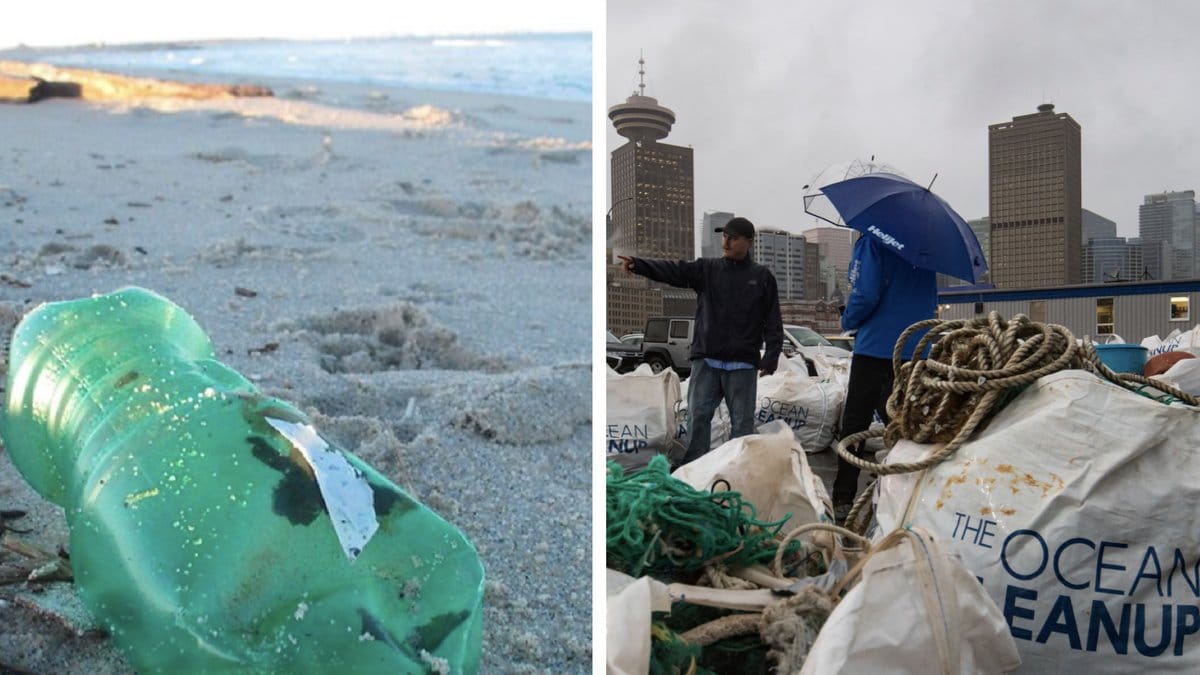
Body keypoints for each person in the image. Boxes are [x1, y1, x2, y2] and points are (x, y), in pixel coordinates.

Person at [618, 216, 783, 466]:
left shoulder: (762, 277)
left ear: (749, 242)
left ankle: (740, 472)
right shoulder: (707, 269)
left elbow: (773, 320)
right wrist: (639, 265)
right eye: (724, 236)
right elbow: (674, 270)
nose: (725, 243)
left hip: (742, 364)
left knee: (742, 424)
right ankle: (695, 469)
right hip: (707, 359)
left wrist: (771, 356)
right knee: (698, 418)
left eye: (733, 238)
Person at [831, 233, 937, 523]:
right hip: (916, 347)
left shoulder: (873, 241)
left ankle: (843, 498)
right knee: (905, 424)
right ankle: (903, 490)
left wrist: (847, 320)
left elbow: (865, 294)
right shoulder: (924, 247)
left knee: (856, 423)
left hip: (876, 348)